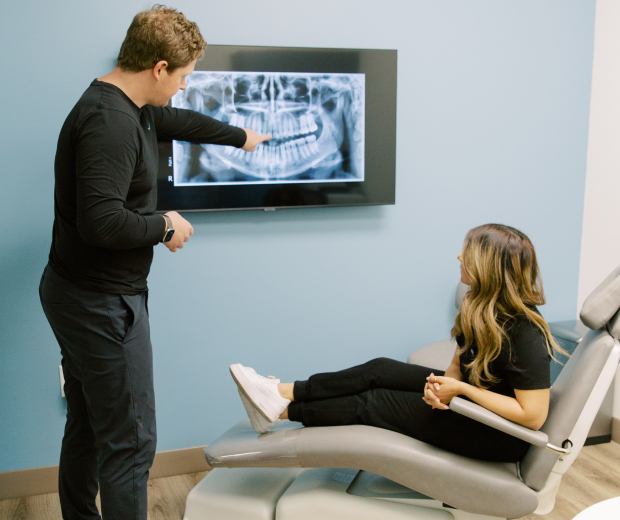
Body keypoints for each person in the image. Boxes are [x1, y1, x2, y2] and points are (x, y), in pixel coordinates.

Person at [39, 6, 270, 520]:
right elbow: (101, 221)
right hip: (100, 303)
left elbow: (178, 120)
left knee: (89, 422)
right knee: (131, 443)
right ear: (159, 68)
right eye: (184, 77)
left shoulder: (128, 104)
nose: (184, 88)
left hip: (80, 292)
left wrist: (240, 136)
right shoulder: (111, 123)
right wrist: (164, 225)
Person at [230, 223, 566, 462]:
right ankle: (280, 394)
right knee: (379, 369)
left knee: (374, 403)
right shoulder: (476, 305)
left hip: (496, 435)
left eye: (467, 253)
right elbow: (458, 366)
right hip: (471, 408)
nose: (459, 258)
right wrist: (443, 387)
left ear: (488, 266)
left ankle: (283, 411)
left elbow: (533, 415)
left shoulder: (524, 331)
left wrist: (462, 392)